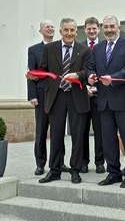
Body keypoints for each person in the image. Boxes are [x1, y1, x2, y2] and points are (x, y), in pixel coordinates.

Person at [27, 18, 91, 184]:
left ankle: (75, 170)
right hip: (56, 96)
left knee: (77, 136)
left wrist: (77, 76)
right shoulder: (49, 48)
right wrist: (34, 76)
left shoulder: (84, 50)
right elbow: (43, 70)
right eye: (66, 30)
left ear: (76, 32)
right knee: (56, 135)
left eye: (72, 30)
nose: (69, 33)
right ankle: (54, 170)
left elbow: (87, 71)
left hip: (76, 95)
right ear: (61, 32)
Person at [88, 15, 125, 188]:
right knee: (108, 140)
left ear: (119, 27)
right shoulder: (98, 47)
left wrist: (113, 78)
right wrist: (90, 76)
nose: (109, 30)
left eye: (112, 26)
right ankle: (114, 173)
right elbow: (92, 67)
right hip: (103, 101)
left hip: (123, 100)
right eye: (106, 26)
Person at [27, 20, 69, 175]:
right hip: (42, 95)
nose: (50, 29)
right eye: (47, 27)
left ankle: (60, 162)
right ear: (40, 31)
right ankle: (40, 163)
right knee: (41, 131)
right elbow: (30, 74)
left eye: (52, 27)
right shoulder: (33, 50)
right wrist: (32, 96)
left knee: (59, 130)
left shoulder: (62, 47)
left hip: (59, 94)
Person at [80, 17, 105, 174]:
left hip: (100, 95)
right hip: (82, 95)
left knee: (100, 131)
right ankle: (83, 162)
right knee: (82, 131)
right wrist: (85, 88)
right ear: (85, 29)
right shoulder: (79, 47)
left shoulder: (104, 46)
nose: (92, 31)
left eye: (94, 28)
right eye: (89, 28)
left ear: (99, 28)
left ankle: (100, 162)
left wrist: (98, 87)